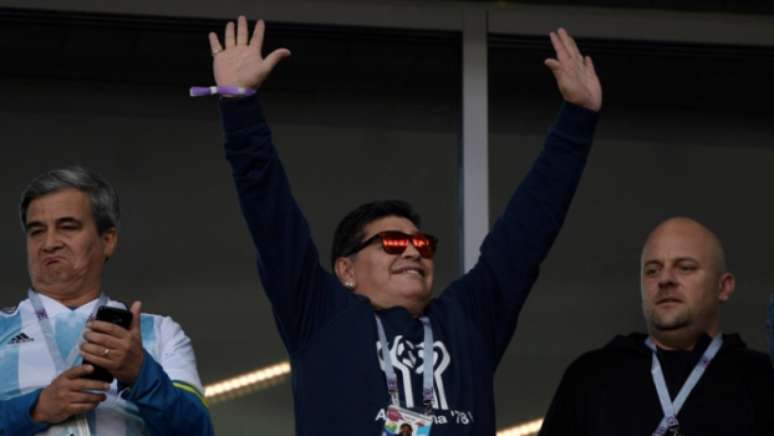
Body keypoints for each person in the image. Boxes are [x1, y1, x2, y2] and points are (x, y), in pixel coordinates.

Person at [210, 16, 601, 435]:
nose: (413, 250)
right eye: (393, 242)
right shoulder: (321, 316)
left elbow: (527, 231)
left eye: (423, 243)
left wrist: (577, 120)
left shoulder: (468, 322)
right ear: (346, 270)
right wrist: (239, 104)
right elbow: (271, 215)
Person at [0, 166, 213, 435]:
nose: (49, 243)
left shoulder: (159, 334)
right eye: (36, 231)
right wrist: (36, 408)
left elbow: (198, 431)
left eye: (67, 227)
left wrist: (140, 373)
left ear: (108, 240)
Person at [539, 217, 774, 436]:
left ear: (723, 287)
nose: (665, 279)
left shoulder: (762, 378)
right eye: (652, 271)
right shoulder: (589, 377)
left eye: (685, 267)